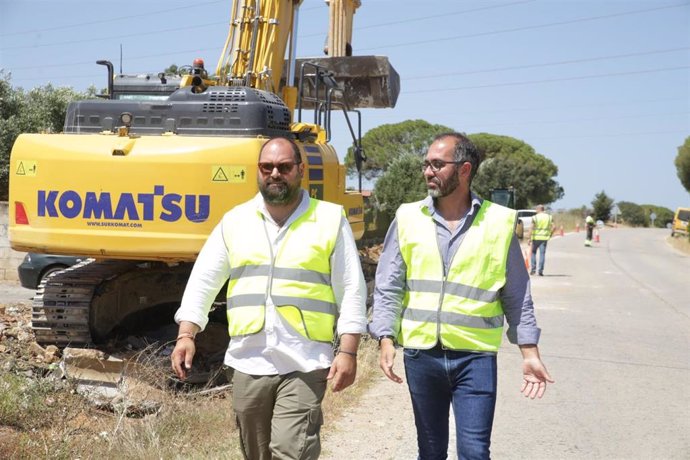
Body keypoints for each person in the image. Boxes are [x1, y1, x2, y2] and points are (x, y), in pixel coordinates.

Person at [171, 136, 367, 460]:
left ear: (300, 170)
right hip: (249, 361)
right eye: (267, 167)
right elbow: (204, 281)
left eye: (284, 166)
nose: (275, 173)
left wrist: (349, 351)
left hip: (305, 360)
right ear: (258, 171)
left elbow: (351, 289)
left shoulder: (330, 220)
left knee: (292, 451)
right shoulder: (235, 220)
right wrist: (186, 334)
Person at [370, 132, 554, 460]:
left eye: (437, 164)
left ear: (464, 170)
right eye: (426, 164)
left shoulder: (498, 223)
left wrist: (529, 352)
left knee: (474, 452)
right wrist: (385, 337)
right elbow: (388, 284)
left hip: (475, 356)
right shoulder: (408, 217)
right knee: (430, 451)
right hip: (421, 355)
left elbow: (517, 294)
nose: (428, 171)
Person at [529, 204, 556, 276]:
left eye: (536, 210)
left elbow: (531, 228)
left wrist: (529, 238)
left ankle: (533, 270)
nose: (536, 211)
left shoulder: (535, 217)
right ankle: (540, 271)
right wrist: (550, 234)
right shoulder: (549, 217)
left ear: (538, 209)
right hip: (544, 239)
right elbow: (554, 227)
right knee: (542, 254)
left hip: (535, 238)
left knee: (533, 253)